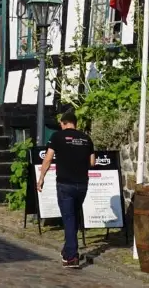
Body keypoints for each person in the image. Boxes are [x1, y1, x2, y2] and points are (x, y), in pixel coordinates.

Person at [36, 109, 95, 269]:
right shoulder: (86, 138)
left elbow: (47, 159)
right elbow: (92, 162)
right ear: (75, 123)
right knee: (74, 216)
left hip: (65, 184)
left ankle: (71, 256)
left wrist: (41, 178)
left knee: (69, 218)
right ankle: (67, 249)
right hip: (82, 184)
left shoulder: (57, 137)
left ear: (63, 123)